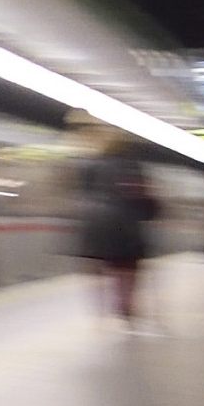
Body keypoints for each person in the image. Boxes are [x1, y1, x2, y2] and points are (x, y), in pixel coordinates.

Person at [73, 129, 160, 327]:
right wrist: (151, 213)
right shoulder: (131, 166)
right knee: (127, 267)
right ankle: (125, 306)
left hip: (93, 224)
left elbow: (82, 194)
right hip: (124, 223)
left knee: (100, 266)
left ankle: (100, 312)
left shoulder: (91, 165)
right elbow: (141, 195)